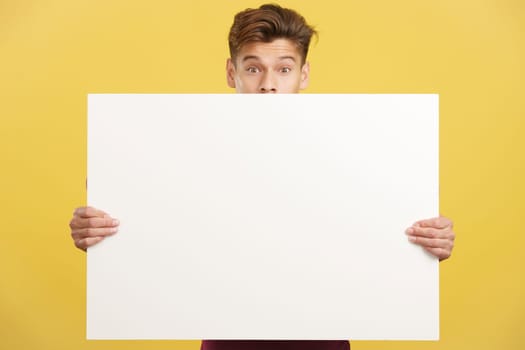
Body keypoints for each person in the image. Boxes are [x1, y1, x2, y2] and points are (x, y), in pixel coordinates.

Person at [69, 4, 455, 350]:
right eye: (253, 68)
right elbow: (149, 240)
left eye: (284, 69)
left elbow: (374, 235)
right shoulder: (177, 156)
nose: (268, 84)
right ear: (230, 72)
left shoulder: (353, 156)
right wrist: (98, 237)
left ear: (303, 75)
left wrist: (428, 243)